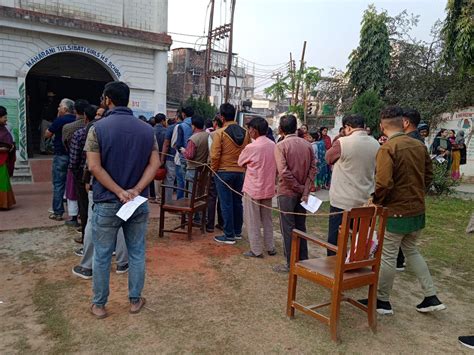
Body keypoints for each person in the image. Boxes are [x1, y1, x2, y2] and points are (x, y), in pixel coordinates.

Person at [84, 81, 159, 318]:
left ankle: (99, 304)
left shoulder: (97, 128)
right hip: (137, 203)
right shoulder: (147, 130)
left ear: (107, 99)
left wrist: (118, 191)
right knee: (136, 252)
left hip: (107, 201)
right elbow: (155, 163)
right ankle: (135, 300)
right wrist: (135, 189)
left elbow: (94, 167)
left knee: (103, 254)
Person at [364, 106, 445, 315]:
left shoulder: (388, 148)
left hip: (396, 212)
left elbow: (383, 183)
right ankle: (431, 295)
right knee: (411, 250)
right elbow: (428, 176)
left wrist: (376, 201)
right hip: (417, 210)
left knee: (388, 256)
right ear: (403, 123)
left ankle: (382, 301)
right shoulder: (419, 146)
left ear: (382, 126)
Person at [325, 114, 379, 255]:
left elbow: (328, 158)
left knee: (335, 239)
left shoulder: (343, 142)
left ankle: (333, 266)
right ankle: (357, 266)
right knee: (359, 239)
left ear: (347, 127)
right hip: (364, 199)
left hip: (342, 201)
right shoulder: (376, 143)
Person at [273, 115, 316, 273]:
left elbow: (283, 172)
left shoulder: (281, 145)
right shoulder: (307, 144)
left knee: (288, 228)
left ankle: (291, 264)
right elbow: (313, 168)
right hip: (301, 193)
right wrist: (304, 189)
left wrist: (299, 188)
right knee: (300, 225)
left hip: (287, 192)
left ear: (281, 129)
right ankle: (303, 259)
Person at [210, 103, 250, 245]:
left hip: (224, 172)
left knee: (226, 203)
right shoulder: (246, 132)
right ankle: (237, 232)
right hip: (240, 172)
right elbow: (248, 152)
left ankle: (228, 235)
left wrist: (214, 170)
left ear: (221, 116)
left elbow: (215, 155)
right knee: (237, 202)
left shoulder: (220, 133)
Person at [238, 116, 277, 258]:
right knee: (267, 219)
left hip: (253, 188)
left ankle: (256, 249)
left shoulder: (251, 147)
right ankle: (270, 246)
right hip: (268, 187)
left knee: (252, 220)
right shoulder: (273, 145)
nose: (248, 131)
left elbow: (240, 162)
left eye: (249, 129)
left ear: (254, 131)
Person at [45, 98, 76, 220]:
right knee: (75, 184)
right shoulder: (78, 120)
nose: (58, 108)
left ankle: (58, 212)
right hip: (74, 156)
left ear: (64, 109)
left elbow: (47, 134)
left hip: (61, 156)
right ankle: (76, 213)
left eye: (59, 106)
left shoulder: (59, 120)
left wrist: (58, 118)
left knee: (58, 184)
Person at [69, 105, 96, 242]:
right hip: (97, 174)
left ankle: (86, 237)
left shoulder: (79, 134)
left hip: (83, 175)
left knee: (85, 207)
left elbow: (73, 160)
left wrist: (75, 173)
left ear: (85, 117)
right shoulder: (103, 132)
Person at [63, 99, 90, 227]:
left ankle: (75, 218)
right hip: (92, 170)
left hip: (78, 169)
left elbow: (67, 148)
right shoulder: (99, 129)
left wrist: (73, 169)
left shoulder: (71, 129)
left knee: (75, 194)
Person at [180, 115, 209, 223]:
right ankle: (200, 217)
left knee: (191, 195)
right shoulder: (208, 136)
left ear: (193, 126)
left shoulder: (193, 139)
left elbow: (190, 155)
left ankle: (190, 217)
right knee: (201, 195)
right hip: (204, 171)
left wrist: (184, 151)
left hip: (192, 170)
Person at [206, 115, 224, 233]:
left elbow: (212, 154)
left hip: (215, 169)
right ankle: (222, 223)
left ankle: (210, 225)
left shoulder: (212, 135)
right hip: (226, 169)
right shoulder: (227, 133)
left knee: (212, 197)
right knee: (223, 198)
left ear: (216, 123)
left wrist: (213, 170)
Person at [0, 106, 16, 209]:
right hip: (1, 159)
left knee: (4, 181)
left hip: (3, 159)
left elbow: (9, 142)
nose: (6, 119)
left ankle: (4, 203)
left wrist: (10, 147)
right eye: (4, 117)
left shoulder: (3, 128)